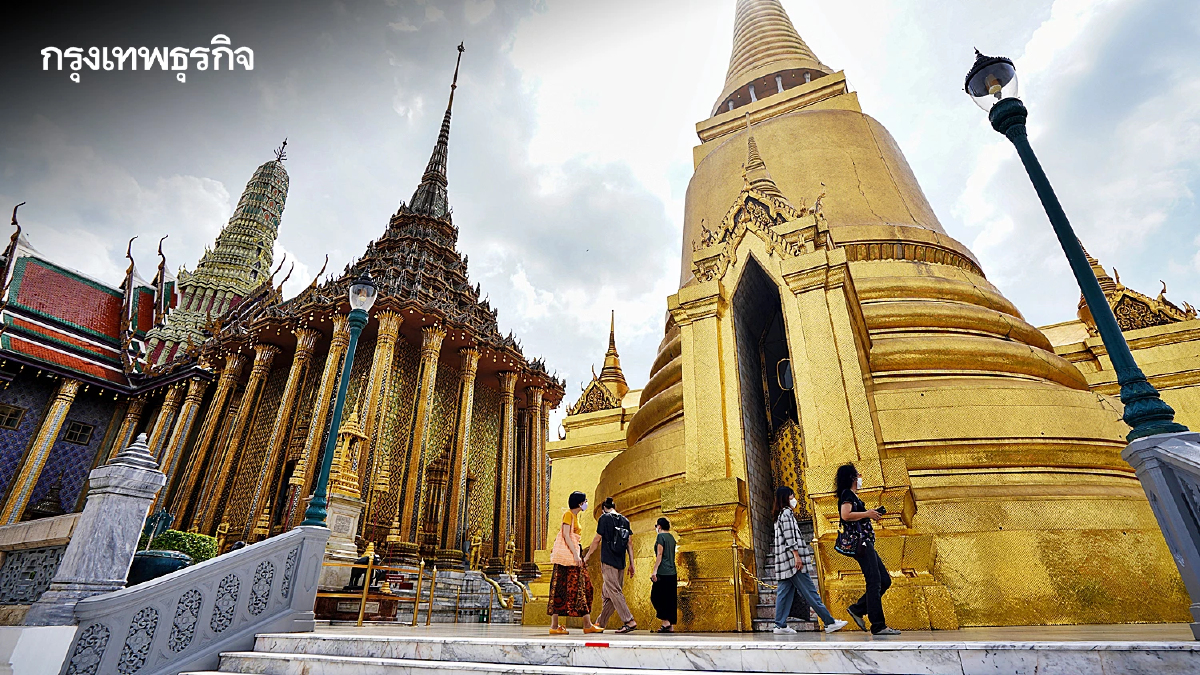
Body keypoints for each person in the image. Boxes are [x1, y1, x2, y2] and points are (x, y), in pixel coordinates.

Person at [768, 486, 847, 635]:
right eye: (791, 497)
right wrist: (796, 556)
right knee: (811, 592)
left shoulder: (779, 515)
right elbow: (790, 538)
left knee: (784, 593)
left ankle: (779, 624)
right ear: (785, 498)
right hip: (793, 562)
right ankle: (829, 622)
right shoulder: (786, 514)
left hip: (784, 562)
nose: (794, 500)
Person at [836, 463, 899, 636]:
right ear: (852, 477)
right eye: (857, 474)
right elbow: (845, 515)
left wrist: (871, 514)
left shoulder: (854, 497)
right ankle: (878, 625)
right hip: (861, 544)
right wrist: (867, 514)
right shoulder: (847, 494)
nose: (860, 477)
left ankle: (858, 609)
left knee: (884, 580)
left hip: (866, 543)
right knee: (874, 581)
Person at [548, 491, 602, 635]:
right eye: (585, 501)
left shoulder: (575, 516)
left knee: (582, 587)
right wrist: (575, 554)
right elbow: (566, 535)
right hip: (569, 557)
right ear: (579, 503)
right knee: (562, 588)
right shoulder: (568, 515)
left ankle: (586, 624)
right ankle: (556, 626)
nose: (586, 503)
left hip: (573, 557)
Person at [585, 497, 637, 633]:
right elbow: (629, 544)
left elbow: (597, 539)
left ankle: (629, 620)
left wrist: (587, 556)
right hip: (621, 561)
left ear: (603, 509)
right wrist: (632, 563)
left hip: (608, 561)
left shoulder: (604, 518)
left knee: (614, 592)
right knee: (610, 594)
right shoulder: (625, 520)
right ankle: (600, 623)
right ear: (614, 506)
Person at [649, 517, 677, 633]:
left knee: (656, 597)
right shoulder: (672, 537)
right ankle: (670, 625)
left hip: (663, 571)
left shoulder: (660, 536)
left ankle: (665, 621)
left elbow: (659, 554)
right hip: (672, 571)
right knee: (669, 598)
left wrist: (654, 571)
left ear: (659, 526)